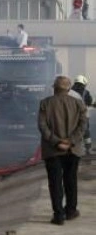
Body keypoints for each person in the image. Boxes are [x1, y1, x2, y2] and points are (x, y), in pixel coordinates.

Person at [38, 76, 88, 225]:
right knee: (70, 180)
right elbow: (83, 126)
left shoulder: (45, 104)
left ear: (54, 87)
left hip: (52, 151)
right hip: (73, 150)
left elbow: (42, 126)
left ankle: (58, 215)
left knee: (55, 183)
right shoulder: (78, 104)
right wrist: (70, 141)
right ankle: (71, 211)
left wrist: (56, 142)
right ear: (69, 88)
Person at [70, 75, 93, 153]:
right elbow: (89, 102)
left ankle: (73, 148)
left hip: (72, 115)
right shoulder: (86, 92)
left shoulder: (69, 91)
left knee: (72, 131)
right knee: (86, 132)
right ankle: (88, 149)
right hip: (84, 115)